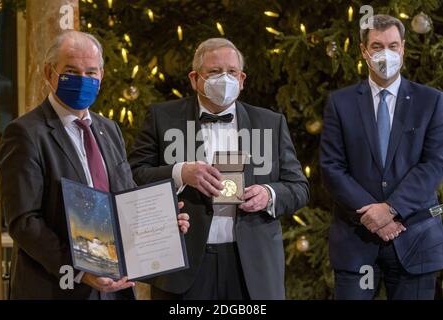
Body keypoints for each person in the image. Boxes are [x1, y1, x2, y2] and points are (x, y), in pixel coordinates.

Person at [0, 30, 190, 300]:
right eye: (72, 71)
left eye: (91, 72)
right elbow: (24, 221)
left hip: (115, 289)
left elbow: (124, 199)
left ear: (101, 77)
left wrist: (163, 223)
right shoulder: (25, 133)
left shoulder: (109, 129)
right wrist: (80, 271)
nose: (82, 80)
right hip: (56, 287)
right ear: (49, 73)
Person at [128, 37, 309, 300]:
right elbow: (133, 176)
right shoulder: (163, 118)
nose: (224, 79)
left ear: (242, 79)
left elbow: (299, 187)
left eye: (232, 72)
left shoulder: (270, 123)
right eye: (214, 72)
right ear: (194, 78)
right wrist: (180, 173)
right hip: (184, 265)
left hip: (251, 266)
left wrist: (269, 194)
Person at [320, 14, 443, 300]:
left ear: (402, 48)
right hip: (356, 241)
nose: (385, 53)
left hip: (415, 238)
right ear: (364, 51)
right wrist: (371, 213)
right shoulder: (340, 103)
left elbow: (434, 164)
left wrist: (390, 210)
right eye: (377, 46)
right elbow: (331, 167)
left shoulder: (432, 101)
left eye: (392, 45)